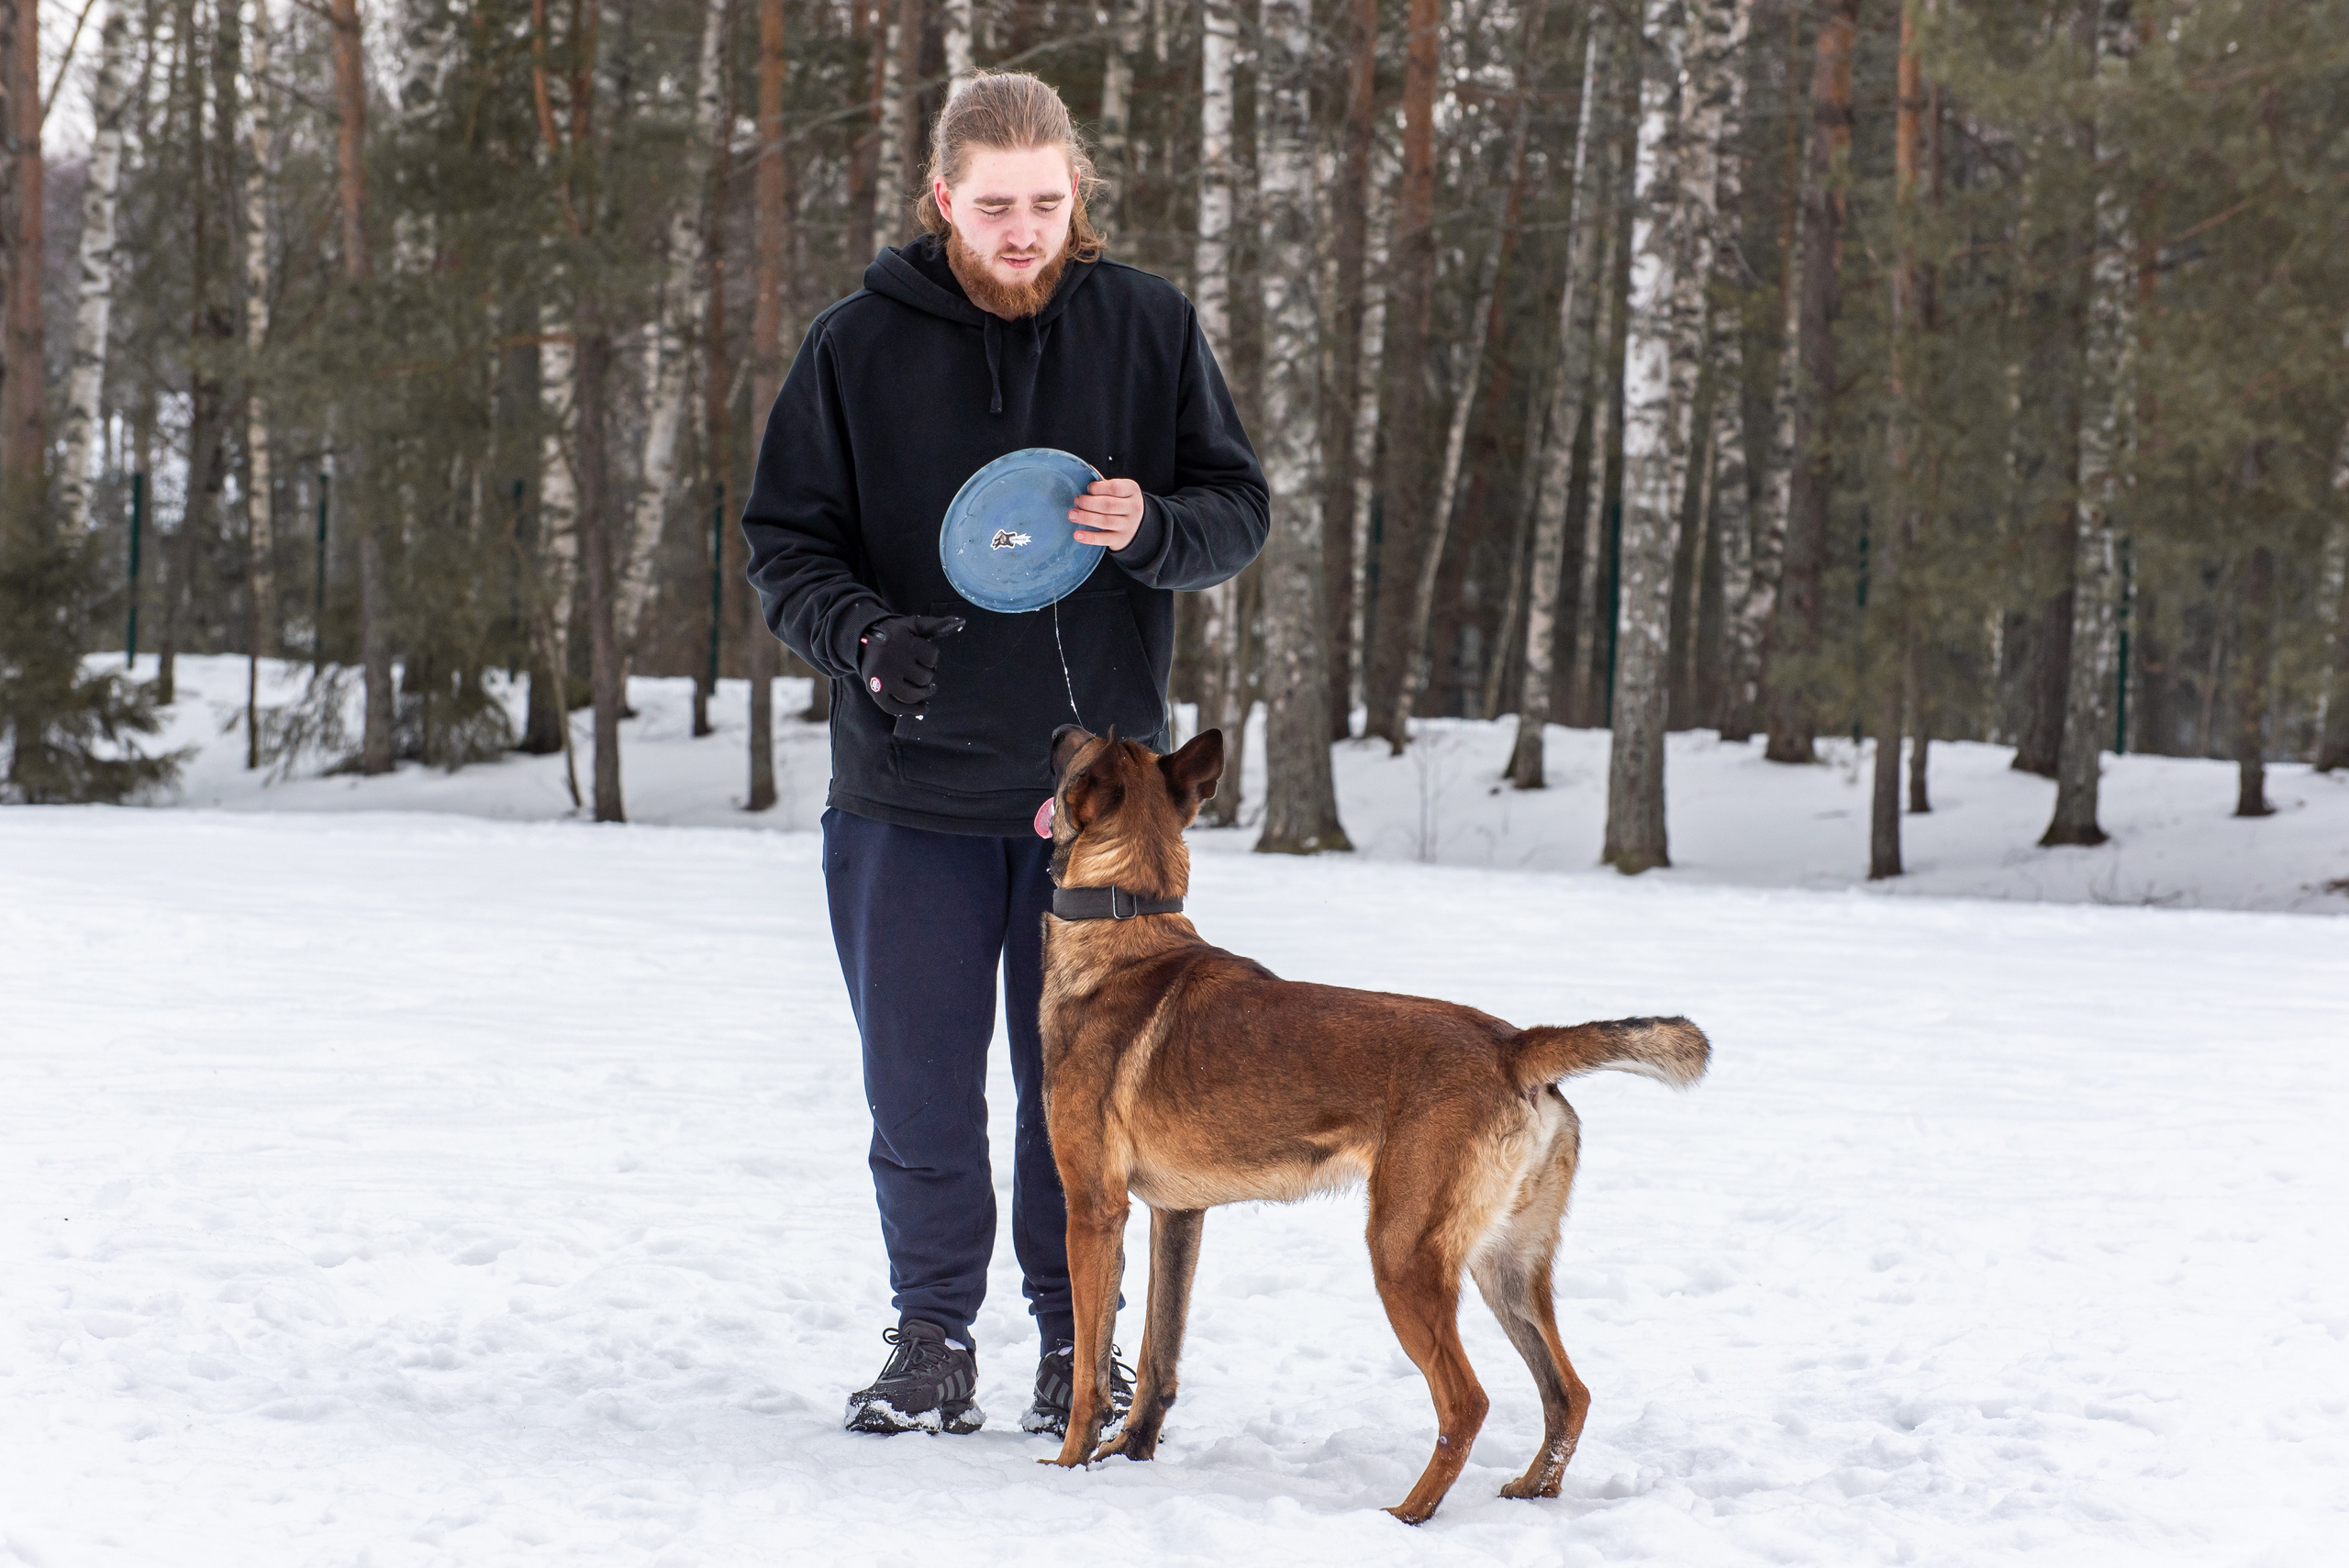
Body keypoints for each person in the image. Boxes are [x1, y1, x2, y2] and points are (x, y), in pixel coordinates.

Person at [740, 72, 1267, 1439]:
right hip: (907, 792)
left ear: (1074, 192)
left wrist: (1151, 522)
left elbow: (1237, 510)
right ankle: (932, 1337)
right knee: (917, 1085)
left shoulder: (1147, 326)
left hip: (1091, 818)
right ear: (942, 201)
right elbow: (782, 543)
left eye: (1045, 202)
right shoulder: (857, 346)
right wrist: (860, 637)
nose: (1022, 229)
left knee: (1076, 1097)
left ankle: (1069, 1341)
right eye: (994, 206)